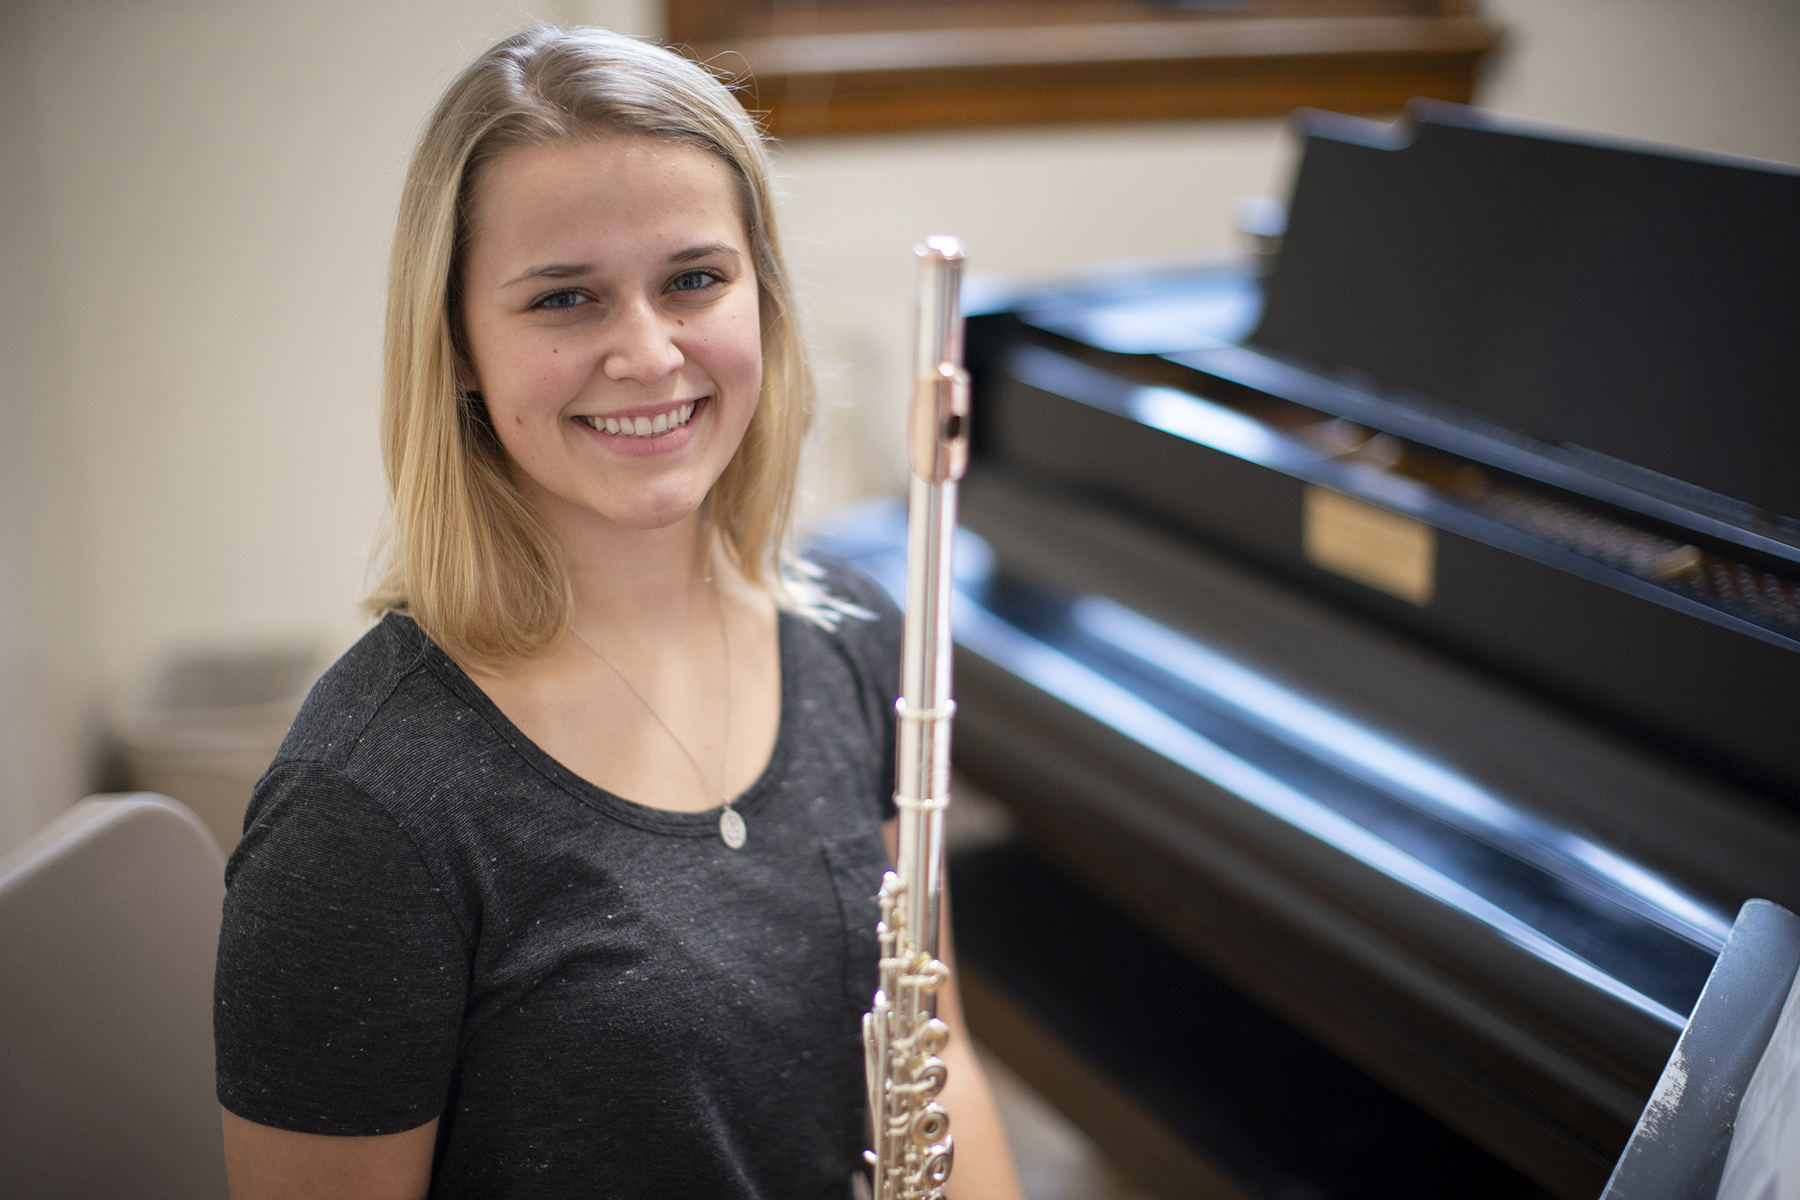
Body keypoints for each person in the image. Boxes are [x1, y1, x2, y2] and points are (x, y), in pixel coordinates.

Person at [212, 25, 1023, 1200]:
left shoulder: (851, 637)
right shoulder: (363, 809)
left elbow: (942, 1054)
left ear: (764, 300)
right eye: (564, 298)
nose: (647, 355)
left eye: (694, 279)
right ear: (460, 351)